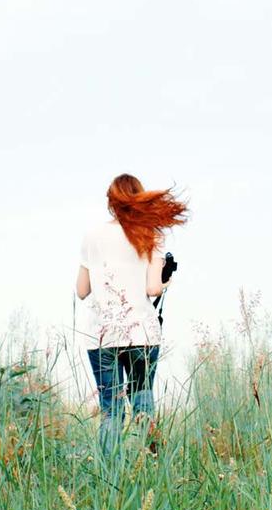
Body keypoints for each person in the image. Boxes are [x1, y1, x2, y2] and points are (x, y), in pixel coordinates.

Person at [75, 173, 188, 454]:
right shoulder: (150, 234)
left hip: (102, 337)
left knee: (111, 412)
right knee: (142, 404)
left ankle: (108, 476)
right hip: (142, 333)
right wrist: (166, 281)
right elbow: (152, 289)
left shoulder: (92, 236)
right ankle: (146, 470)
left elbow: (81, 290)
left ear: (111, 202)